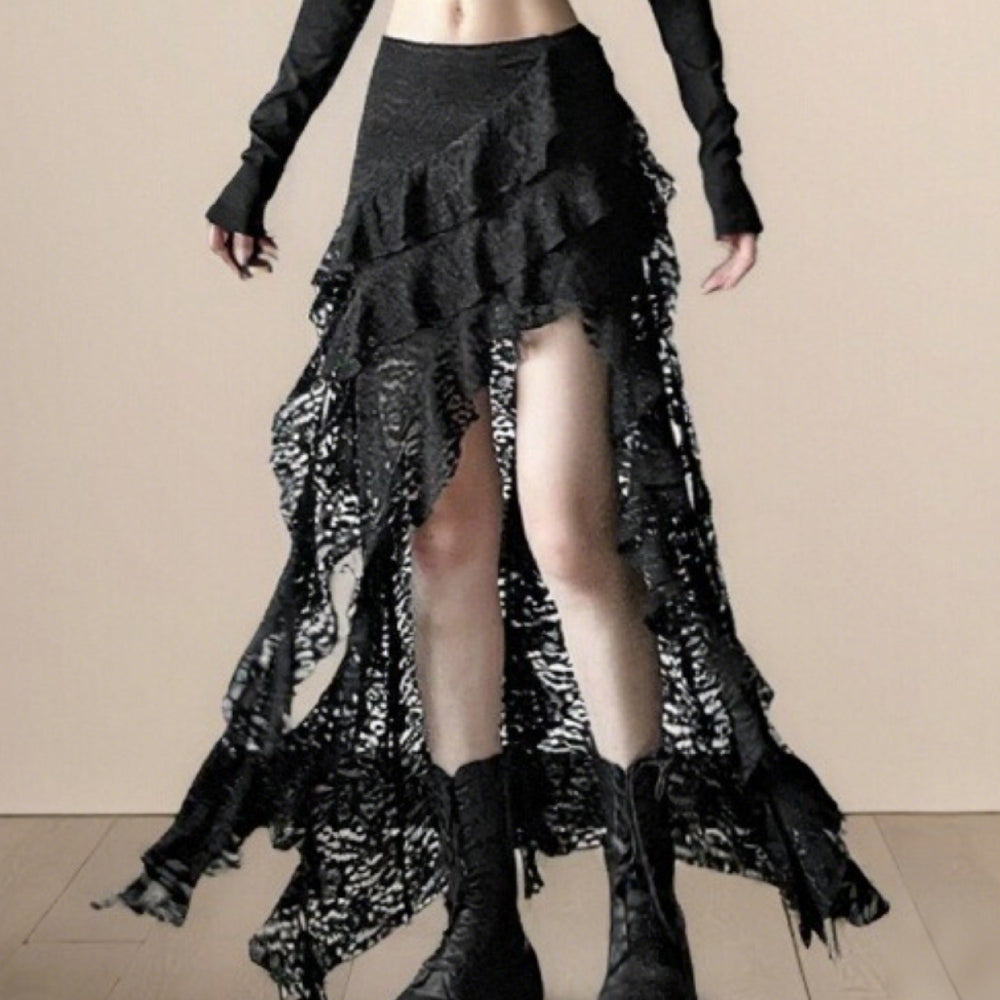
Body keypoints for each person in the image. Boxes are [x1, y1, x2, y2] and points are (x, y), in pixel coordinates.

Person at [92, 2, 891, 999]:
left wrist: (720, 163)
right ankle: (483, 933)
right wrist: (262, 160)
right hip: (409, 130)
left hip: (550, 114)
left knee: (570, 537)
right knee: (442, 540)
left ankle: (648, 930)